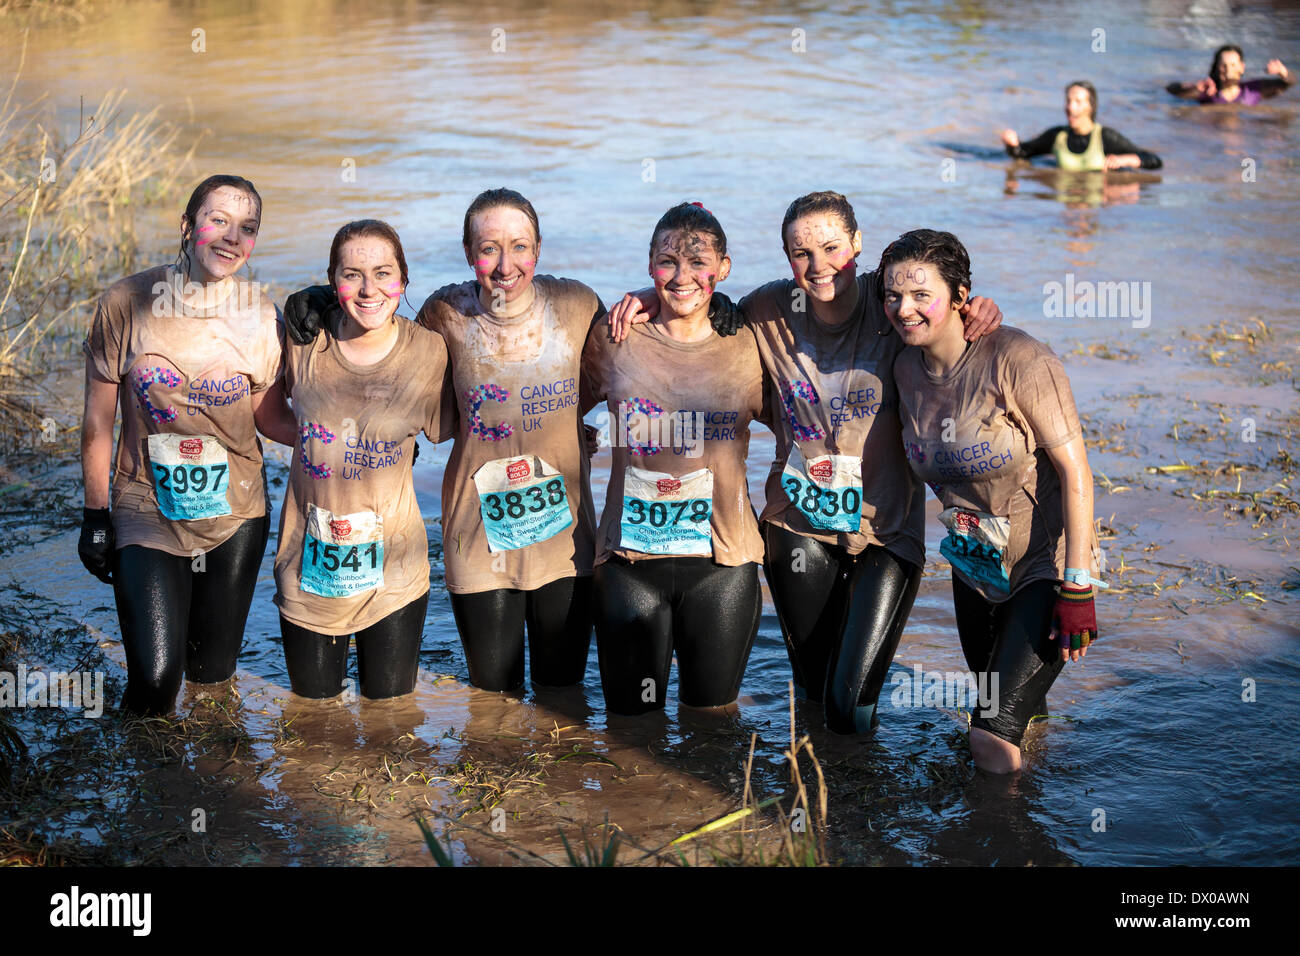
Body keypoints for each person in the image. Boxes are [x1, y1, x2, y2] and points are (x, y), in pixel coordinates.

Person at [607, 191, 1003, 734]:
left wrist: (973, 306)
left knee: (849, 700)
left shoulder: (892, 309)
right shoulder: (770, 311)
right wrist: (648, 296)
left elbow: (943, 319)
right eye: (801, 253)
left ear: (859, 245)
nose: (818, 266)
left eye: (832, 247)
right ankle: (822, 795)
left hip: (886, 533)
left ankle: (857, 805)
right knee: (816, 696)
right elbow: (695, 297)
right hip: (797, 528)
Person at [283, 189, 606, 693]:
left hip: (566, 540)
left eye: (519, 246)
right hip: (476, 537)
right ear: (467, 252)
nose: (505, 265)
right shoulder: (443, 314)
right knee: (492, 699)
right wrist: (321, 299)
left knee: (561, 697)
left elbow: (636, 355)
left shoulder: (578, 305)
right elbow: (383, 346)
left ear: (538, 249)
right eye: (488, 248)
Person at [880, 228, 1103, 774]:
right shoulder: (904, 369)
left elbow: (1078, 473)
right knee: (1018, 722)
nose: (903, 309)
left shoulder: (1020, 359)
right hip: (975, 570)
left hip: (1041, 571)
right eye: (892, 296)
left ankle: (1007, 844)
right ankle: (1039, 806)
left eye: (921, 295)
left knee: (989, 735)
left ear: (961, 298)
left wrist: (1078, 586)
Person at [79, 174, 283, 716]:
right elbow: (97, 422)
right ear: (188, 226)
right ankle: (148, 790)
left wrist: (363, 428)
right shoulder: (127, 302)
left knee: (213, 682)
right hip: (145, 509)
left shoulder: (264, 317)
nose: (231, 238)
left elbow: (271, 418)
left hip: (236, 515)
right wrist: (95, 514)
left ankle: (210, 788)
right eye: (217, 220)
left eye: (248, 228)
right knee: (155, 681)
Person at [582, 202, 768, 716]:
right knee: (630, 726)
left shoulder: (750, 344)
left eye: (698, 262)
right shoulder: (615, 338)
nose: (681, 276)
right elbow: (553, 411)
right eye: (667, 262)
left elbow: (813, 422)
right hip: (628, 566)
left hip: (722, 565)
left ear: (724, 268)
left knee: (712, 730)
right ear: (649, 266)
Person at [260, 220, 451, 700]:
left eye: (384, 273)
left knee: (391, 719)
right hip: (309, 569)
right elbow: (267, 415)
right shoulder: (303, 341)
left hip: (396, 575)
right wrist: (326, 447)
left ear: (403, 280)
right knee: (313, 717)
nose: (370, 290)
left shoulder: (428, 351)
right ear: (331, 281)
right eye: (351, 275)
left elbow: (466, 424)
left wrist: (575, 430)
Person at [1001, 81, 1162, 171]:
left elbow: (1154, 161)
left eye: (1078, 102)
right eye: (1068, 101)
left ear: (1091, 106)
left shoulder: (1106, 137)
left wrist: (1128, 160)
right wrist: (1012, 144)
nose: (1070, 107)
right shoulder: (1057, 136)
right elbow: (1023, 153)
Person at [1167, 45, 1293, 104]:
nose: (1228, 70)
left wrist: (1283, 72)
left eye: (1233, 65)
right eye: (1223, 66)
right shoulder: (1208, 91)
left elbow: (1289, 83)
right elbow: (1171, 89)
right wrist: (1193, 88)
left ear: (1241, 68)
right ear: (1216, 68)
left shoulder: (1253, 89)